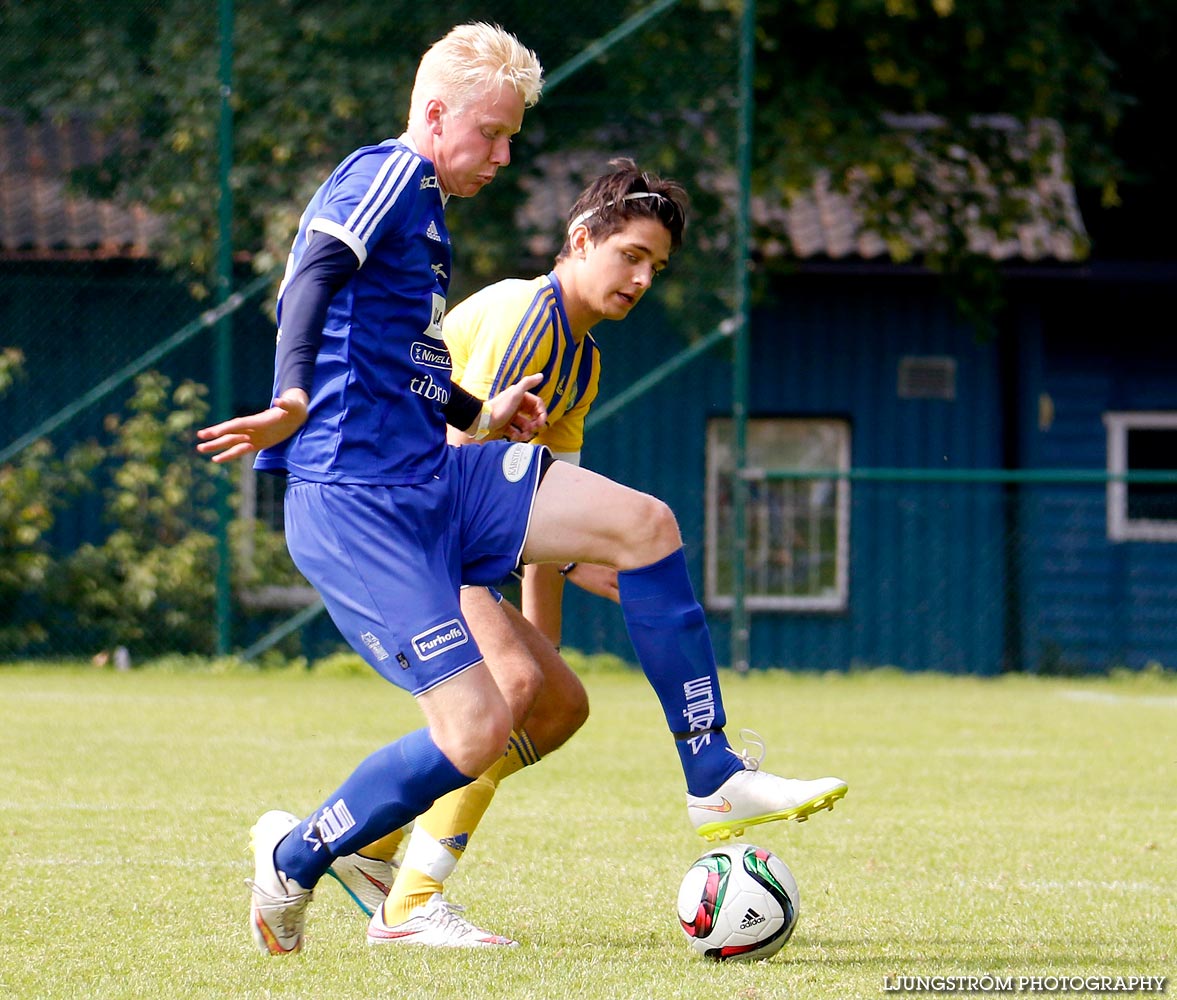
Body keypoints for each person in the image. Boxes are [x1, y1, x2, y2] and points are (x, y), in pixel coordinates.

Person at [197, 26, 847, 958]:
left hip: (432, 476)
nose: (505, 155)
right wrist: (290, 395)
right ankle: (298, 857)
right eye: (493, 134)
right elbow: (313, 273)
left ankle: (712, 771)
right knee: (473, 727)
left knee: (645, 525)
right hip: (354, 501)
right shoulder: (385, 172)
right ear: (434, 115)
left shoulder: (427, 217)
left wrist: (477, 404)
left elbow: (400, 360)